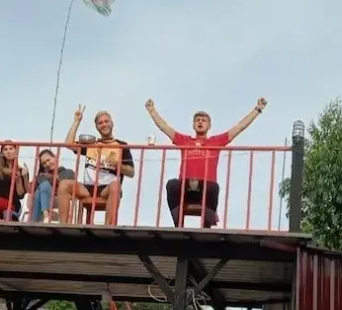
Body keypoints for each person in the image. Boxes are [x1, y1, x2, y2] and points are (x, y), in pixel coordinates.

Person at [145, 97, 268, 227]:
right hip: (186, 187)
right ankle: (178, 223)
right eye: (197, 120)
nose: (200, 122)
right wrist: (152, 110)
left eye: (204, 120)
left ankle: (206, 225)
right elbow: (164, 127)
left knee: (214, 187)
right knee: (172, 184)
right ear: (193, 125)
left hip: (205, 189)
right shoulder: (184, 140)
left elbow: (239, 127)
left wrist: (257, 109)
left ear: (209, 126)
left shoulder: (216, 141)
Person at [57, 105, 135, 225]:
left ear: (112, 123)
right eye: (100, 123)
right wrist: (77, 121)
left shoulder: (121, 145)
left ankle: (108, 228)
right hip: (87, 188)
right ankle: (63, 225)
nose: (104, 125)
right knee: (63, 184)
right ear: (97, 127)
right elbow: (68, 144)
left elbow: (131, 172)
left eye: (106, 121)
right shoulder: (91, 144)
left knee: (115, 186)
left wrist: (118, 165)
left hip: (107, 188)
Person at [31, 149, 75, 222]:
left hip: (60, 200)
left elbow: (66, 182)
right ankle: (46, 215)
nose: (47, 164)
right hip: (44, 200)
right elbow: (30, 188)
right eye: (44, 163)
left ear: (55, 157)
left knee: (42, 187)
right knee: (41, 189)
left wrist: (52, 178)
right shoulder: (42, 176)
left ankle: (34, 222)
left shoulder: (68, 172)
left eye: (48, 160)